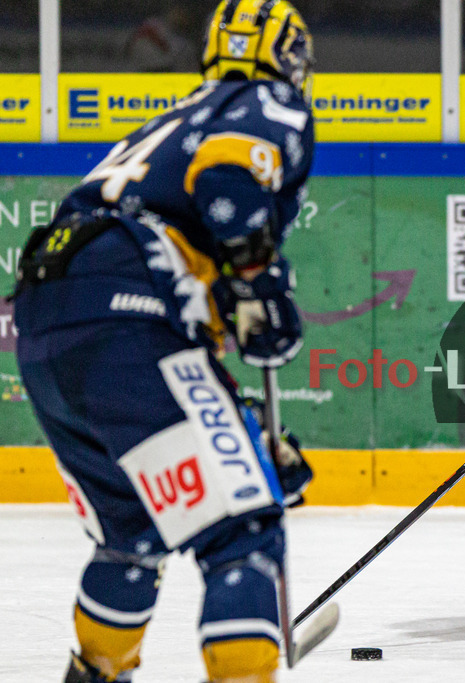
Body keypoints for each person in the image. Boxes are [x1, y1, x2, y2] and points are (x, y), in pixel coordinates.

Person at [13, 2, 315, 680]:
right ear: (292, 56)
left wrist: (239, 430)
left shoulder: (176, 115)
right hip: (129, 307)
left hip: (45, 317)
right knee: (243, 530)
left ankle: (93, 672)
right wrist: (262, 287)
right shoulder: (271, 100)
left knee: (134, 533)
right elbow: (228, 184)